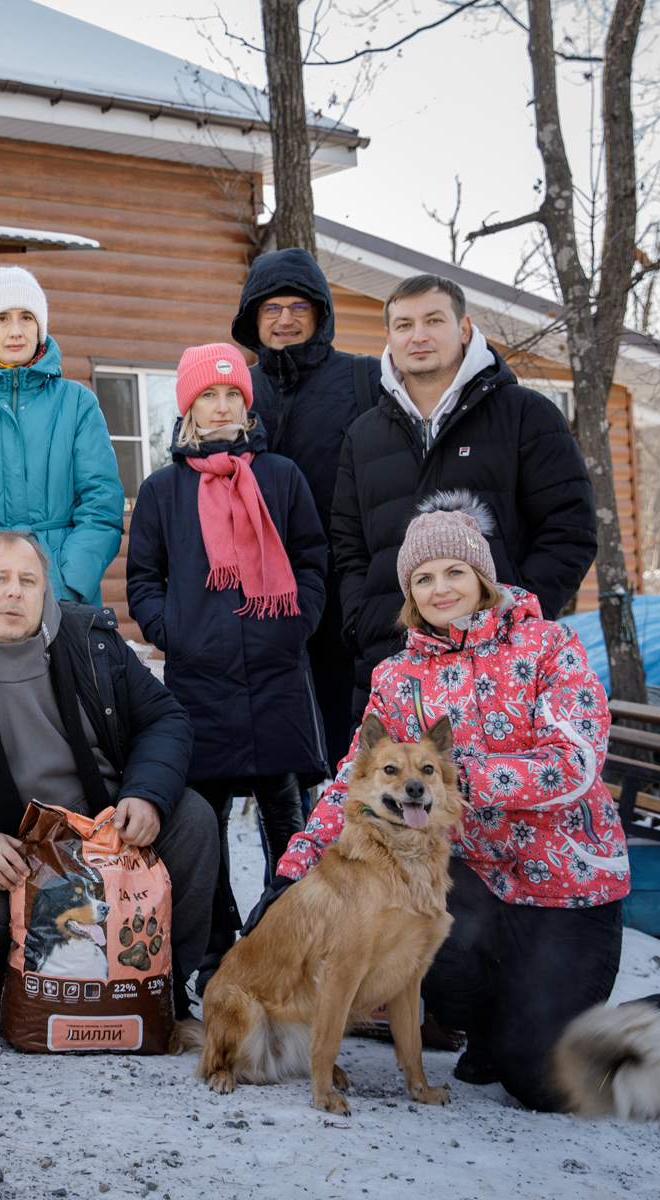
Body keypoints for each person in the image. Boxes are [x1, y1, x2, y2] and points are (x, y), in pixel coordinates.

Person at [277, 493, 629, 1111]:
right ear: (410, 593)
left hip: (566, 886)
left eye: (454, 572)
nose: (441, 589)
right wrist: (297, 864)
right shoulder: (397, 678)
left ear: (482, 577)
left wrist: (453, 775)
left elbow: (574, 763)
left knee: (544, 1085)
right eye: (423, 578)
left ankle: (536, 1033)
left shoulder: (550, 647)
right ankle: (493, 1025)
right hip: (467, 880)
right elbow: (355, 781)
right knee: (408, 920)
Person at [0, 530, 218, 1025]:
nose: (14, 592)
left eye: (28, 580)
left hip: (104, 831)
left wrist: (146, 794)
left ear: (45, 590)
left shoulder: (91, 640)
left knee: (194, 818)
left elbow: (165, 719)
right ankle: (1, 987)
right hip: (2, 849)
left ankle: (163, 983)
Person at [126, 344, 325, 986]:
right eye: (207, 396)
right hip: (199, 683)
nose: (220, 406)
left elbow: (313, 560)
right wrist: (172, 632)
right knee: (203, 826)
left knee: (288, 821)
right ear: (188, 408)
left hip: (275, 679)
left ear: (246, 404)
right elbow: (143, 579)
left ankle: (279, 943)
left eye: (231, 395)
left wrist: (295, 626)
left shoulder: (283, 477)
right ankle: (215, 951)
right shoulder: (163, 490)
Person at [331, 274, 595, 719]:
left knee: (498, 786)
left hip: (503, 667)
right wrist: (363, 618)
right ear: (389, 336)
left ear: (465, 328)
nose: (418, 336)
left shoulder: (525, 416)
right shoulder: (364, 434)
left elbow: (571, 531)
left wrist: (515, 616)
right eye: (404, 325)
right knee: (393, 789)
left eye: (433, 320)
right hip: (392, 665)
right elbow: (347, 544)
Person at [232, 249, 381, 778]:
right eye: (271, 309)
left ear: (321, 314)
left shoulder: (366, 381)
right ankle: (292, 858)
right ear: (252, 318)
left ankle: (356, 855)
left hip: (346, 595)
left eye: (299, 307)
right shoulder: (235, 391)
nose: (285, 320)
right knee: (278, 755)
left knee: (353, 749)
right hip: (259, 597)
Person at [0, 265, 123, 606]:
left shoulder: (77, 405)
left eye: (26, 318)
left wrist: (66, 583)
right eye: (1, 318)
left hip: (64, 595)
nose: (15, 330)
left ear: (40, 328)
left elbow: (101, 505)